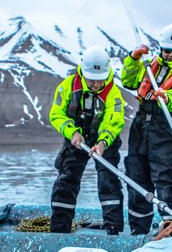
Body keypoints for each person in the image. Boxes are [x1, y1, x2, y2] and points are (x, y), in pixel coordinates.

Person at [121, 23, 172, 234]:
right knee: (137, 179)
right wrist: (133, 60)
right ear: (161, 48)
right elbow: (128, 80)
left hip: (166, 128)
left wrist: (169, 97)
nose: (171, 54)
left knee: (166, 182)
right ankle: (139, 232)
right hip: (141, 127)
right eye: (167, 50)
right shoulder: (150, 64)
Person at [49, 45, 126, 235]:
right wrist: (72, 132)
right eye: (92, 80)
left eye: (100, 80)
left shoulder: (113, 93)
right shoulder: (67, 86)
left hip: (104, 141)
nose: (96, 85)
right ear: (83, 72)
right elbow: (56, 114)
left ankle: (113, 229)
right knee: (67, 179)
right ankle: (59, 231)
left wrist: (103, 142)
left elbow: (114, 120)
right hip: (76, 138)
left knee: (109, 180)